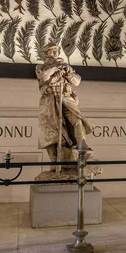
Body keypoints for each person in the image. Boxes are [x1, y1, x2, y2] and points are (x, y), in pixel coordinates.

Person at [35, 43, 94, 172]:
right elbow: (44, 76)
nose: (54, 53)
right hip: (50, 99)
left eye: (55, 50)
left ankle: (83, 152)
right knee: (52, 131)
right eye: (50, 51)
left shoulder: (66, 66)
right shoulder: (41, 66)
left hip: (66, 97)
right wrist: (57, 67)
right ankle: (56, 161)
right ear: (46, 53)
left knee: (78, 121)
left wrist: (67, 73)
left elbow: (77, 81)